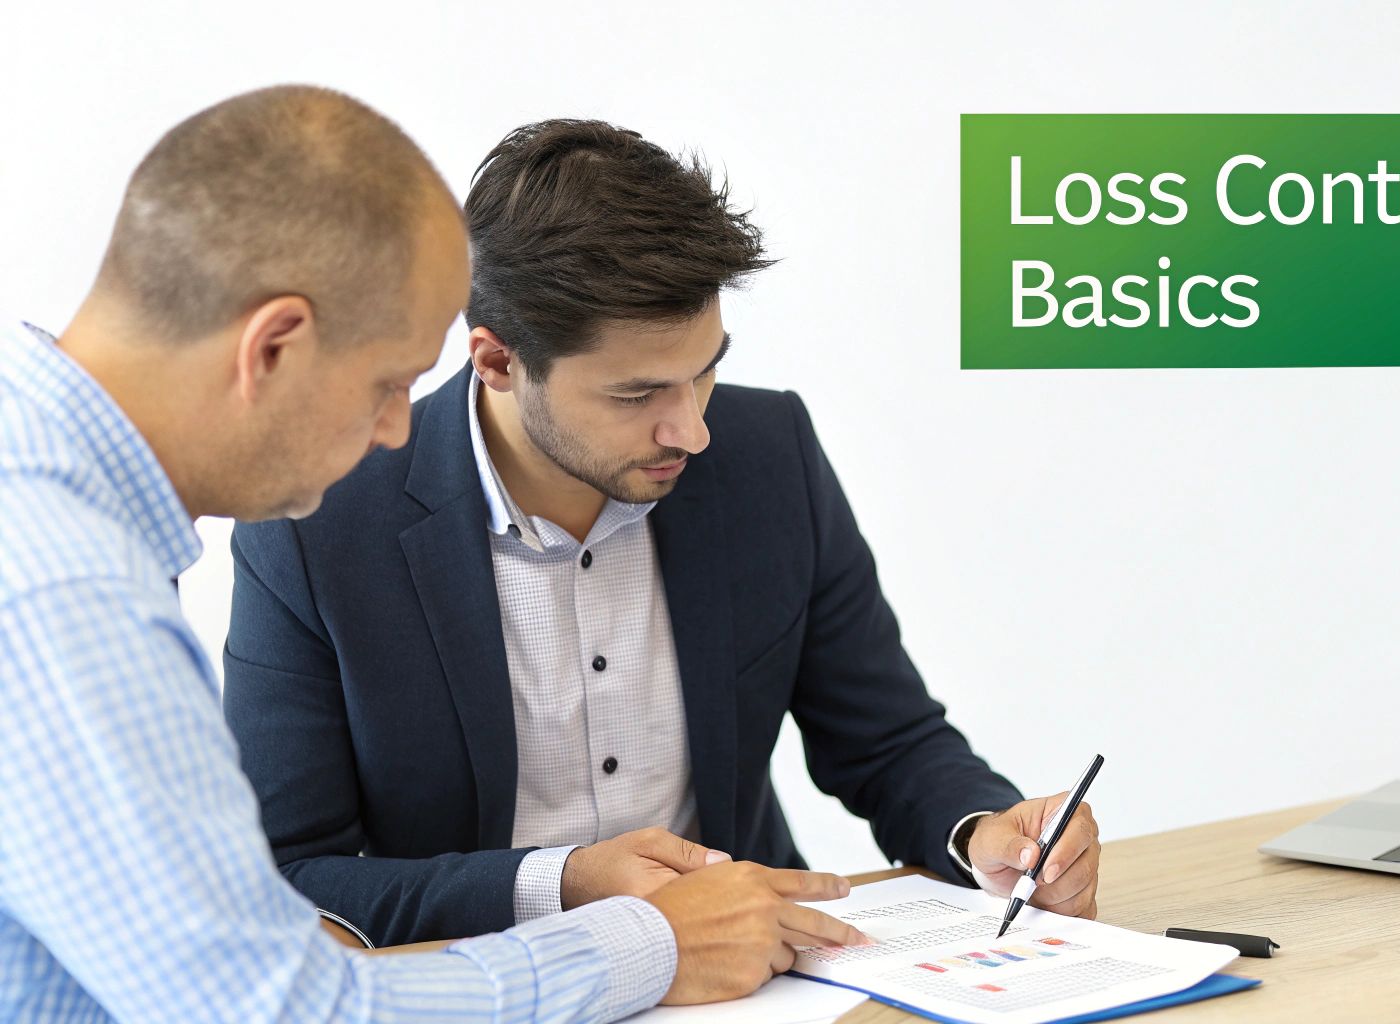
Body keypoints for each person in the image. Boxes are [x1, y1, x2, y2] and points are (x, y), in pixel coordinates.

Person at [0, 85, 866, 1023]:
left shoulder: (45, 496)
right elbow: (282, 1008)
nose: (394, 429)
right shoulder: (65, 593)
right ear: (275, 346)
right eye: (387, 382)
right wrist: (646, 944)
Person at [222, 118, 1104, 948]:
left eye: (705, 372)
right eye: (637, 395)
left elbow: (888, 741)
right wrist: (562, 883)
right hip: (488, 983)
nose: (692, 430)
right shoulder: (318, 523)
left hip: (758, 981)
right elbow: (289, 875)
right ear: (495, 360)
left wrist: (984, 831)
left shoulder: (768, 456)